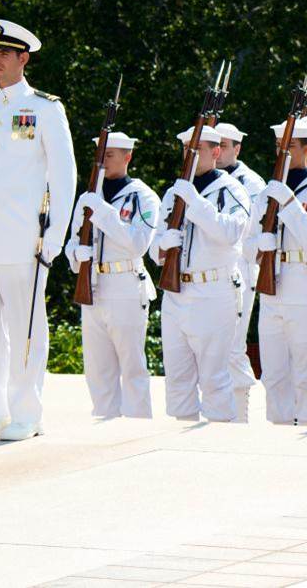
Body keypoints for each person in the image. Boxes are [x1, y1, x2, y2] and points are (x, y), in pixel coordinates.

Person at [0, 20, 76, 440]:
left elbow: (64, 177)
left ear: (24, 58)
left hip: (24, 238)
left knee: (26, 329)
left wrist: (55, 238)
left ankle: (28, 412)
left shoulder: (44, 108)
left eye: (4, 54)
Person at [150, 125, 250, 422]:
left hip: (214, 291)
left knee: (214, 380)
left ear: (216, 152)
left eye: (197, 150)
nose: (189, 156)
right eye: (185, 150)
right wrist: (161, 247)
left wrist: (194, 202)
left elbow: (231, 232)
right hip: (176, 292)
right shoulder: (175, 191)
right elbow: (155, 243)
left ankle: (217, 447)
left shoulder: (232, 190)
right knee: (178, 379)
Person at [246, 119, 307, 426]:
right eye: (278, 147)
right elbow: (245, 248)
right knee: (273, 376)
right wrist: (261, 243)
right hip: (271, 289)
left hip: (304, 287)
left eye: (289, 147)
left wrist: (288, 202)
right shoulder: (266, 192)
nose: (281, 153)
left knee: (306, 377)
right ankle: (279, 435)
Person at [65, 132, 159, 418]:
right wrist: (75, 255)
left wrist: (104, 213)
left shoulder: (143, 196)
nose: (103, 161)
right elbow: (72, 240)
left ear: (127, 156)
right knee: (97, 368)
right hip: (92, 285)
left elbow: (138, 244)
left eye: (110, 155)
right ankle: (104, 423)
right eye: (100, 155)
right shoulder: (87, 197)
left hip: (125, 285)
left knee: (131, 366)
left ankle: (136, 428)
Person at [214, 122, 265, 422]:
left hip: (241, 270)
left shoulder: (251, 183)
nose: (219, 150)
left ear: (237, 148)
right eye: (215, 144)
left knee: (233, 345)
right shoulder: (204, 178)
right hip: (211, 272)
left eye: (226, 144)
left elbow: (254, 234)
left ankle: (240, 417)